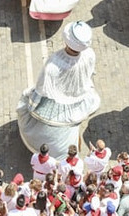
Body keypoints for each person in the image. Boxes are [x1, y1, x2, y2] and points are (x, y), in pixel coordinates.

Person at [16, 21, 100, 158]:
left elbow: (42, 87)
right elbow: (89, 74)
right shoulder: (90, 54)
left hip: (54, 100)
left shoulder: (54, 62)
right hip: (79, 97)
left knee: (29, 103)